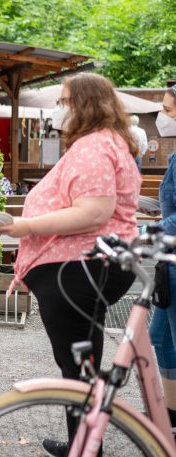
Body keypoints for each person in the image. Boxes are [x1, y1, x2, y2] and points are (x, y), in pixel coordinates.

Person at [0, 73, 140, 457]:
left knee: (77, 371)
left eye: (65, 101)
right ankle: (84, 443)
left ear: (85, 104)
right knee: (81, 366)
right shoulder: (107, 143)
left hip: (79, 267)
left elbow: (93, 212)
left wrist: (22, 225)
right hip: (84, 267)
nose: (60, 109)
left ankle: (85, 447)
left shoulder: (94, 147)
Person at [149, 84, 176, 435]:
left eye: (168, 111)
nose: (163, 117)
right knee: (160, 337)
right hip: (168, 262)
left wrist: (147, 235)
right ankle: (171, 416)